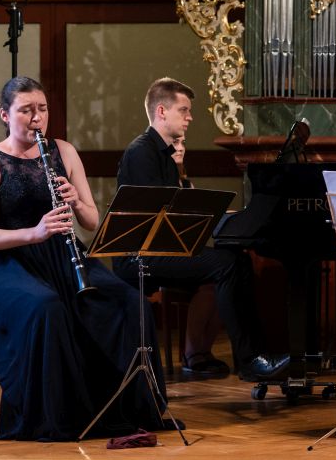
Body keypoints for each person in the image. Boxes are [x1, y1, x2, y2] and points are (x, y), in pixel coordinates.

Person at [0, 76, 167, 440]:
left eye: (42, 109)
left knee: (130, 303)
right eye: (26, 110)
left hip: (65, 257)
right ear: (5, 115)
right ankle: (59, 417)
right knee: (48, 308)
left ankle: (126, 408)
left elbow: (91, 221)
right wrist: (34, 233)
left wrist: (75, 200)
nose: (36, 118)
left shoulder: (63, 152)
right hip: (10, 265)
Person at [115, 77, 289, 382]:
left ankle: (254, 356)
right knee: (227, 263)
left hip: (161, 249)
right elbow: (158, 216)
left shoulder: (166, 155)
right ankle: (250, 361)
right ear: (161, 111)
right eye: (184, 110)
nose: (190, 117)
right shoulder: (141, 152)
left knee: (237, 259)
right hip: (140, 255)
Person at [171, 136, 228, 380]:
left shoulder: (186, 182)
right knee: (211, 281)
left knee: (221, 282)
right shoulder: (161, 178)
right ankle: (192, 352)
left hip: (189, 249)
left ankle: (204, 349)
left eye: (184, 143)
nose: (180, 148)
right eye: (175, 143)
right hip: (170, 254)